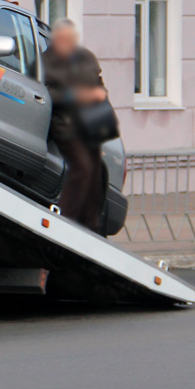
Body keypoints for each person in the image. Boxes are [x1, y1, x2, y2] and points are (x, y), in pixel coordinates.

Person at [43, 18, 108, 231]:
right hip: (64, 124)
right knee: (83, 167)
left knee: (96, 171)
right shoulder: (47, 61)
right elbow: (45, 92)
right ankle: (64, 222)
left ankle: (90, 228)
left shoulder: (86, 59)